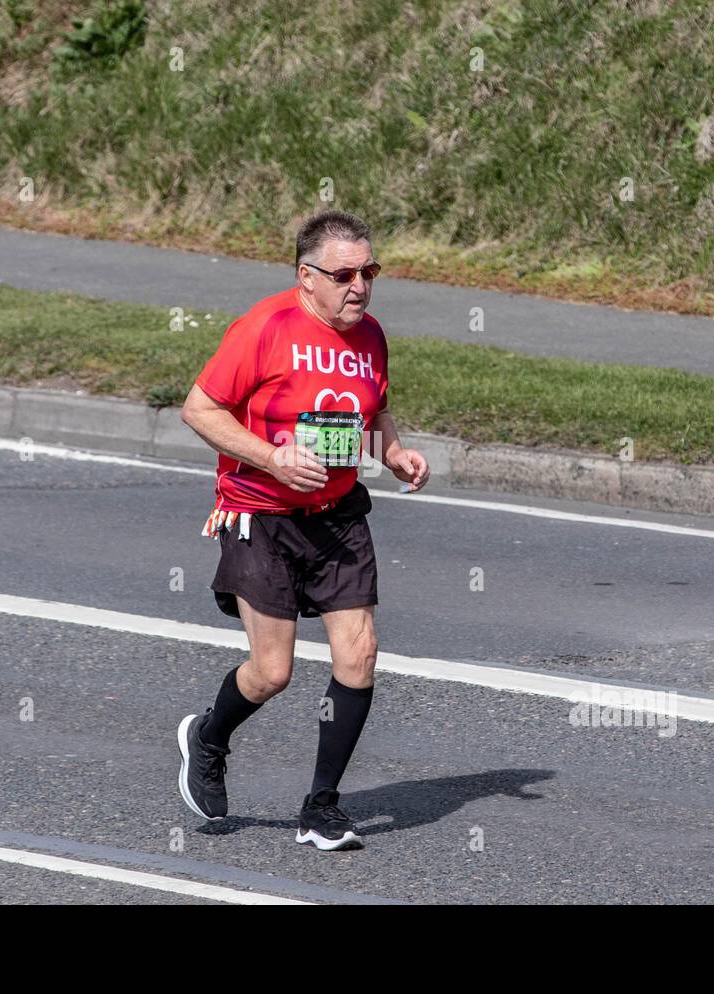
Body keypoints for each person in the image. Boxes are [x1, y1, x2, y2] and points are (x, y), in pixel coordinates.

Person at [176, 209, 429, 851]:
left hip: (338, 516)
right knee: (272, 672)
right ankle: (208, 736)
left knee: (360, 653)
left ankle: (321, 807)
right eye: (344, 274)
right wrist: (271, 456)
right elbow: (199, 408)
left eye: (369, 271)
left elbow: (374, 405)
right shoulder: (265, 327)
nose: (360, 286)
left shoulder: (369, 334)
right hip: (260, 513)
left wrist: (393, 451)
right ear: (305, 276)